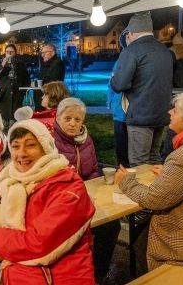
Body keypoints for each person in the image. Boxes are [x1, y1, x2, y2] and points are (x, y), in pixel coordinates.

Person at [0, 118, 95, 284]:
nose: (21, 153)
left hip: (58, 277)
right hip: (24, 274)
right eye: (15, 146)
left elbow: (37, 246)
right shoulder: (15, 181)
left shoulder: (69, 188)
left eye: (30, 145)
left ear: (46, 148)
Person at [115, 90, 183, 271]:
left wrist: (126, 181)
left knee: (140, 238)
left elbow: (153, 200)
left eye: (175, 110)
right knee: (141, 235)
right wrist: (171, 173)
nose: (170, 112)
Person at [52, 97, 119, 281]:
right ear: (57, 117)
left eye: (77, 119)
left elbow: (93, 169)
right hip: (60, 201)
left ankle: (98, 274)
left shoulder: (86, 139)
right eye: (68, 118)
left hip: (85, 197)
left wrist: (90, 187)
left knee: (111, 224)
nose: (73, 124)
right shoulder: (49, 142)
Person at [110, 11, 173, 166]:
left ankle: (142, 191)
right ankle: (158, 189)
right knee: (154, 158)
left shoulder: (131, 50)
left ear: (130, 33)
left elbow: (119, 84)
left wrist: (114, 77)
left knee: (139, 163)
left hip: (140, 115)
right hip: (162, 114)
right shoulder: (165, 51)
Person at [0, 44, 30, 130]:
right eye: (7, 52)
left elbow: (27, 80)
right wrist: (2, 66)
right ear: (4, 53)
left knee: (14, 125)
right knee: (2, 124)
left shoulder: (20, 65)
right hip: (2, 98)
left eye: (11, 52)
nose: (9, 53)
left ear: (15, 53)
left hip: (16, 98)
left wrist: (22, 93)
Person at [107, 27, 130, 167]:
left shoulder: (131, 58)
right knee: (122, 148)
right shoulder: (122, 59)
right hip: (119, 110)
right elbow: (112, 83)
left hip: (128, 112)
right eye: (126, 37)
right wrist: (109, 101)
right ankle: (122, 171)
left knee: (127, 150)